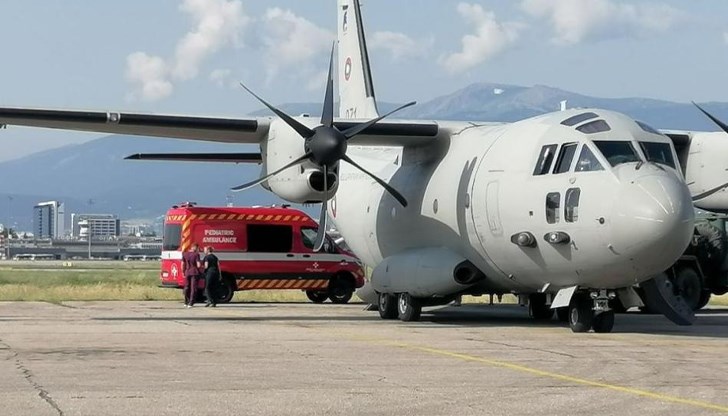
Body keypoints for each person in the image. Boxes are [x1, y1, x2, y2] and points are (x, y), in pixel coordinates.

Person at [181, 243, 203, 308]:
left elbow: (182, 264)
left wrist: (183, 272)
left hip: (187, 272)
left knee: (187, 286)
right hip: (194, 272)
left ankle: (186, 301)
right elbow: (198, 265)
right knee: (193, 288)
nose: (198, 249)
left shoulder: (184, 254)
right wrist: (201, 266)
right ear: (194, 247)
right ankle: (191, 302)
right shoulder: (196, 255)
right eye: (197, 248)